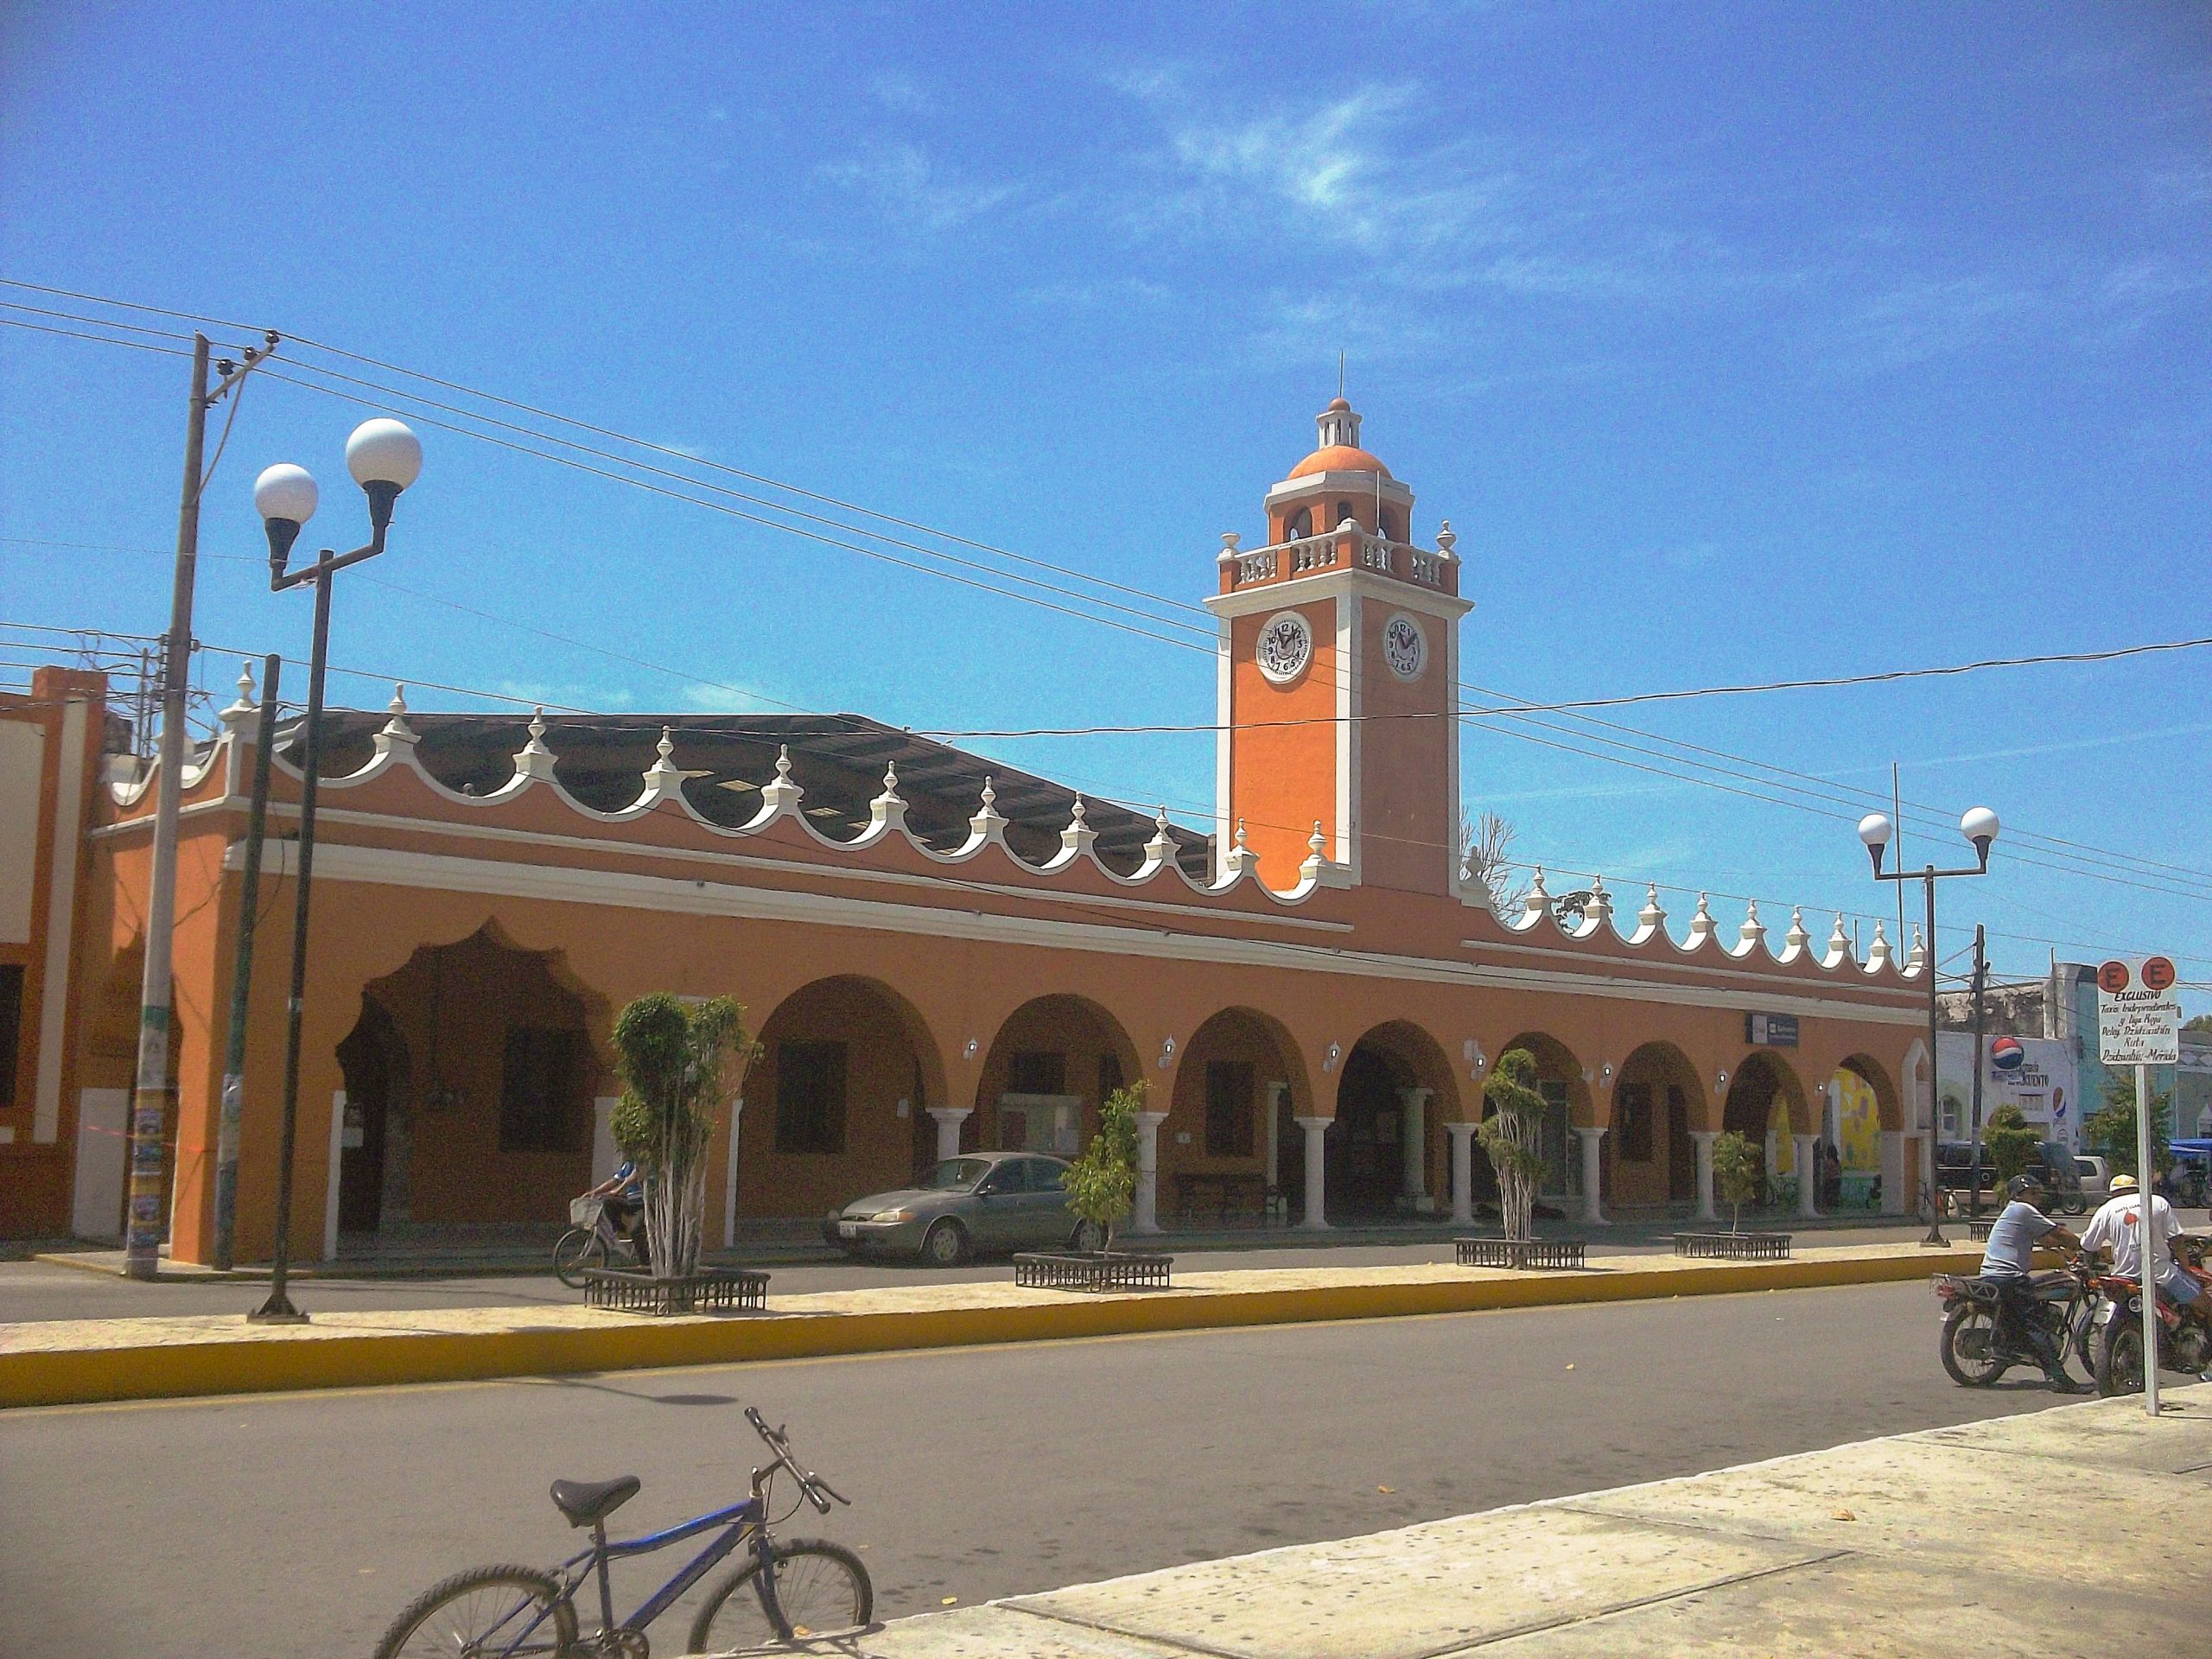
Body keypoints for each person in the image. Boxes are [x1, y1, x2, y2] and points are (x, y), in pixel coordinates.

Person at [1977, 1173, 2085, 1392]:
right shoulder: (2023, 1210)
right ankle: (2059, 1379)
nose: (2037, 1198)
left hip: (1991, 1275)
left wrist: (2064, 1250)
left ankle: (2014, 1349)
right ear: (2019, 1194)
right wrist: (2085, 1246)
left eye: (2038, 1194)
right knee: (2035, 1326)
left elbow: (2047, 1239)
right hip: (2010, 1277)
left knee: (2024, 1315)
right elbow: (2059, 1232)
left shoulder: (2012, 1212)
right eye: (2032, 1193)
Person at [2082, 1173, 2201, 1324]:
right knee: (2206, 1305)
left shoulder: (2105, 1210)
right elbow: (2177, 1241)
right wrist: (2187, 1270)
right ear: (2137, 1188)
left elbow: (2088, 1246)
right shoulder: (2157, 1201)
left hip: (2123, 1277)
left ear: (2112, 1193)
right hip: (2161, 1274)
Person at [585, 1157, 650, 1268]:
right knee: (608, 1202)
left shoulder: (644, 1160)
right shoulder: (628, 1164)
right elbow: (614, 1180)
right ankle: (621, 1231)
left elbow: (634, 1177)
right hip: (631, 1202)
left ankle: (646, 1264)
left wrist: (618, 1190)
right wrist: (595, 1192)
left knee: (636, 1230)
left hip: (645, 1204)